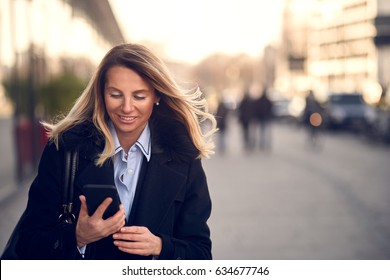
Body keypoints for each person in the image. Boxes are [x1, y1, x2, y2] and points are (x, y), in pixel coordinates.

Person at [14, 43, 217, 260]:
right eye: (115, 94)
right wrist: (77, 236)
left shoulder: (183, 157)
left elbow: (200, 253)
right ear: (101, 93)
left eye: (139, 96)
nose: (127, 107)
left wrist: (160, 246)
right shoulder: (65, 149)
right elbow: (27, 243)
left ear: (157, 96)